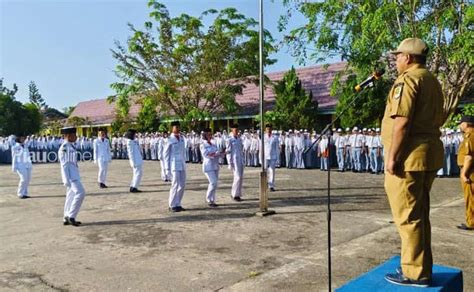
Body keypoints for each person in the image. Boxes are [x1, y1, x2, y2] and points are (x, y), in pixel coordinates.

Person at [382, 38, 445, 287]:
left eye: (398, 56)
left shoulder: (408, 80)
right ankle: (417, 263)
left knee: (407, 216)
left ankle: (415, 272)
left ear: (408, 58)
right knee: (419, 214)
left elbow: (402, 122)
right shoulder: (431, 79)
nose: (396, 60)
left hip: (409, 158)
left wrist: (392, 157)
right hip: (427, 155)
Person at [59, 127, 86, 227]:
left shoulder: (70, 146)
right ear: (68, 136)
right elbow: (64, 165)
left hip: (73, 175)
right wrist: (65, 179)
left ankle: (66, 217)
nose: (76, 137)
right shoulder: (65, 148)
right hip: (71, 177)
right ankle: (71, 216)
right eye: (74, 135)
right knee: (81, 193)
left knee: (70, 196)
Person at [456, 115, 474, 231]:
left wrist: (464, 173)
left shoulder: (470, 137)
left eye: (461, 123)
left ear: (466, 124)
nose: (460, 125)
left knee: (470, 197)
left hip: (470, 172)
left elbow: (469, 157)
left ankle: (471, 222)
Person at [164, 121, 187, 212]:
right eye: (175, 127)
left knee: (182, 185)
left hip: (182, 164)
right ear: (172, 128)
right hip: (174, 165)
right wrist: (167, 168)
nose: (177, 128)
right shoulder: (169, 139)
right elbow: (166, 155)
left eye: (178, 127)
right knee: (175, 184)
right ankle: (172, 204)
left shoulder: (181, 138)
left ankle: (178, 203)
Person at [200, 128, 221, 207]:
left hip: (215, 165)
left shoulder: (213, 144)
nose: (210, 136)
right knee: (213, 182)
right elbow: (206, 154)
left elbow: (216, 152)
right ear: (205, 135)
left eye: (210, 134)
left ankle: (212, 200)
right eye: (208, 134)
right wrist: (215, 154)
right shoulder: (203, 144)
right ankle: (208, 199)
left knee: (215, 184)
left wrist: (221, 153)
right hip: (208, 166)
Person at [226, 124, 244, 201]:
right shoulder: (229, 139)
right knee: (237, 177)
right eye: (235, 130)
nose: (236, 131)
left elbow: (241, 150)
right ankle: (234, 194)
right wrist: (229, 163)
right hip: (234, 160)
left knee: (240, 177)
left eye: (237, 130)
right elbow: (228, 152)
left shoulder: (239, 139)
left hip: (240, 160)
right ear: (232, 130)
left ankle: (238, 194)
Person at [11, 134, 33, 199]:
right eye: (21, 138)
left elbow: (28, 155)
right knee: (23, 179)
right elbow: (14, 157)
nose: (23, 139)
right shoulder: (15, 147)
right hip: (20, 165)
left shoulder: (25, 146)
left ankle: (25, 193)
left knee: (28, 179)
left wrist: (30, 164)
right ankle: (20, 194)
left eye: (24, 138)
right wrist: (14, 166)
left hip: (27, 164)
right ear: (18, 139)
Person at [261, 124, 279, 192]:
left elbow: (277, 148)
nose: (269, 130)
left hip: (273, 156)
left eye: (270, 129)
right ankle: (264, 183)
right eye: (267, 129)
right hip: (265, 155)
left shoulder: (275, 137)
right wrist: (261, 158)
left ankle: (271, 185)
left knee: (272, 171)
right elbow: (261, 147)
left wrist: (278, 158)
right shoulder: (263, 137)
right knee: (264, 170)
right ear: (265, 130)